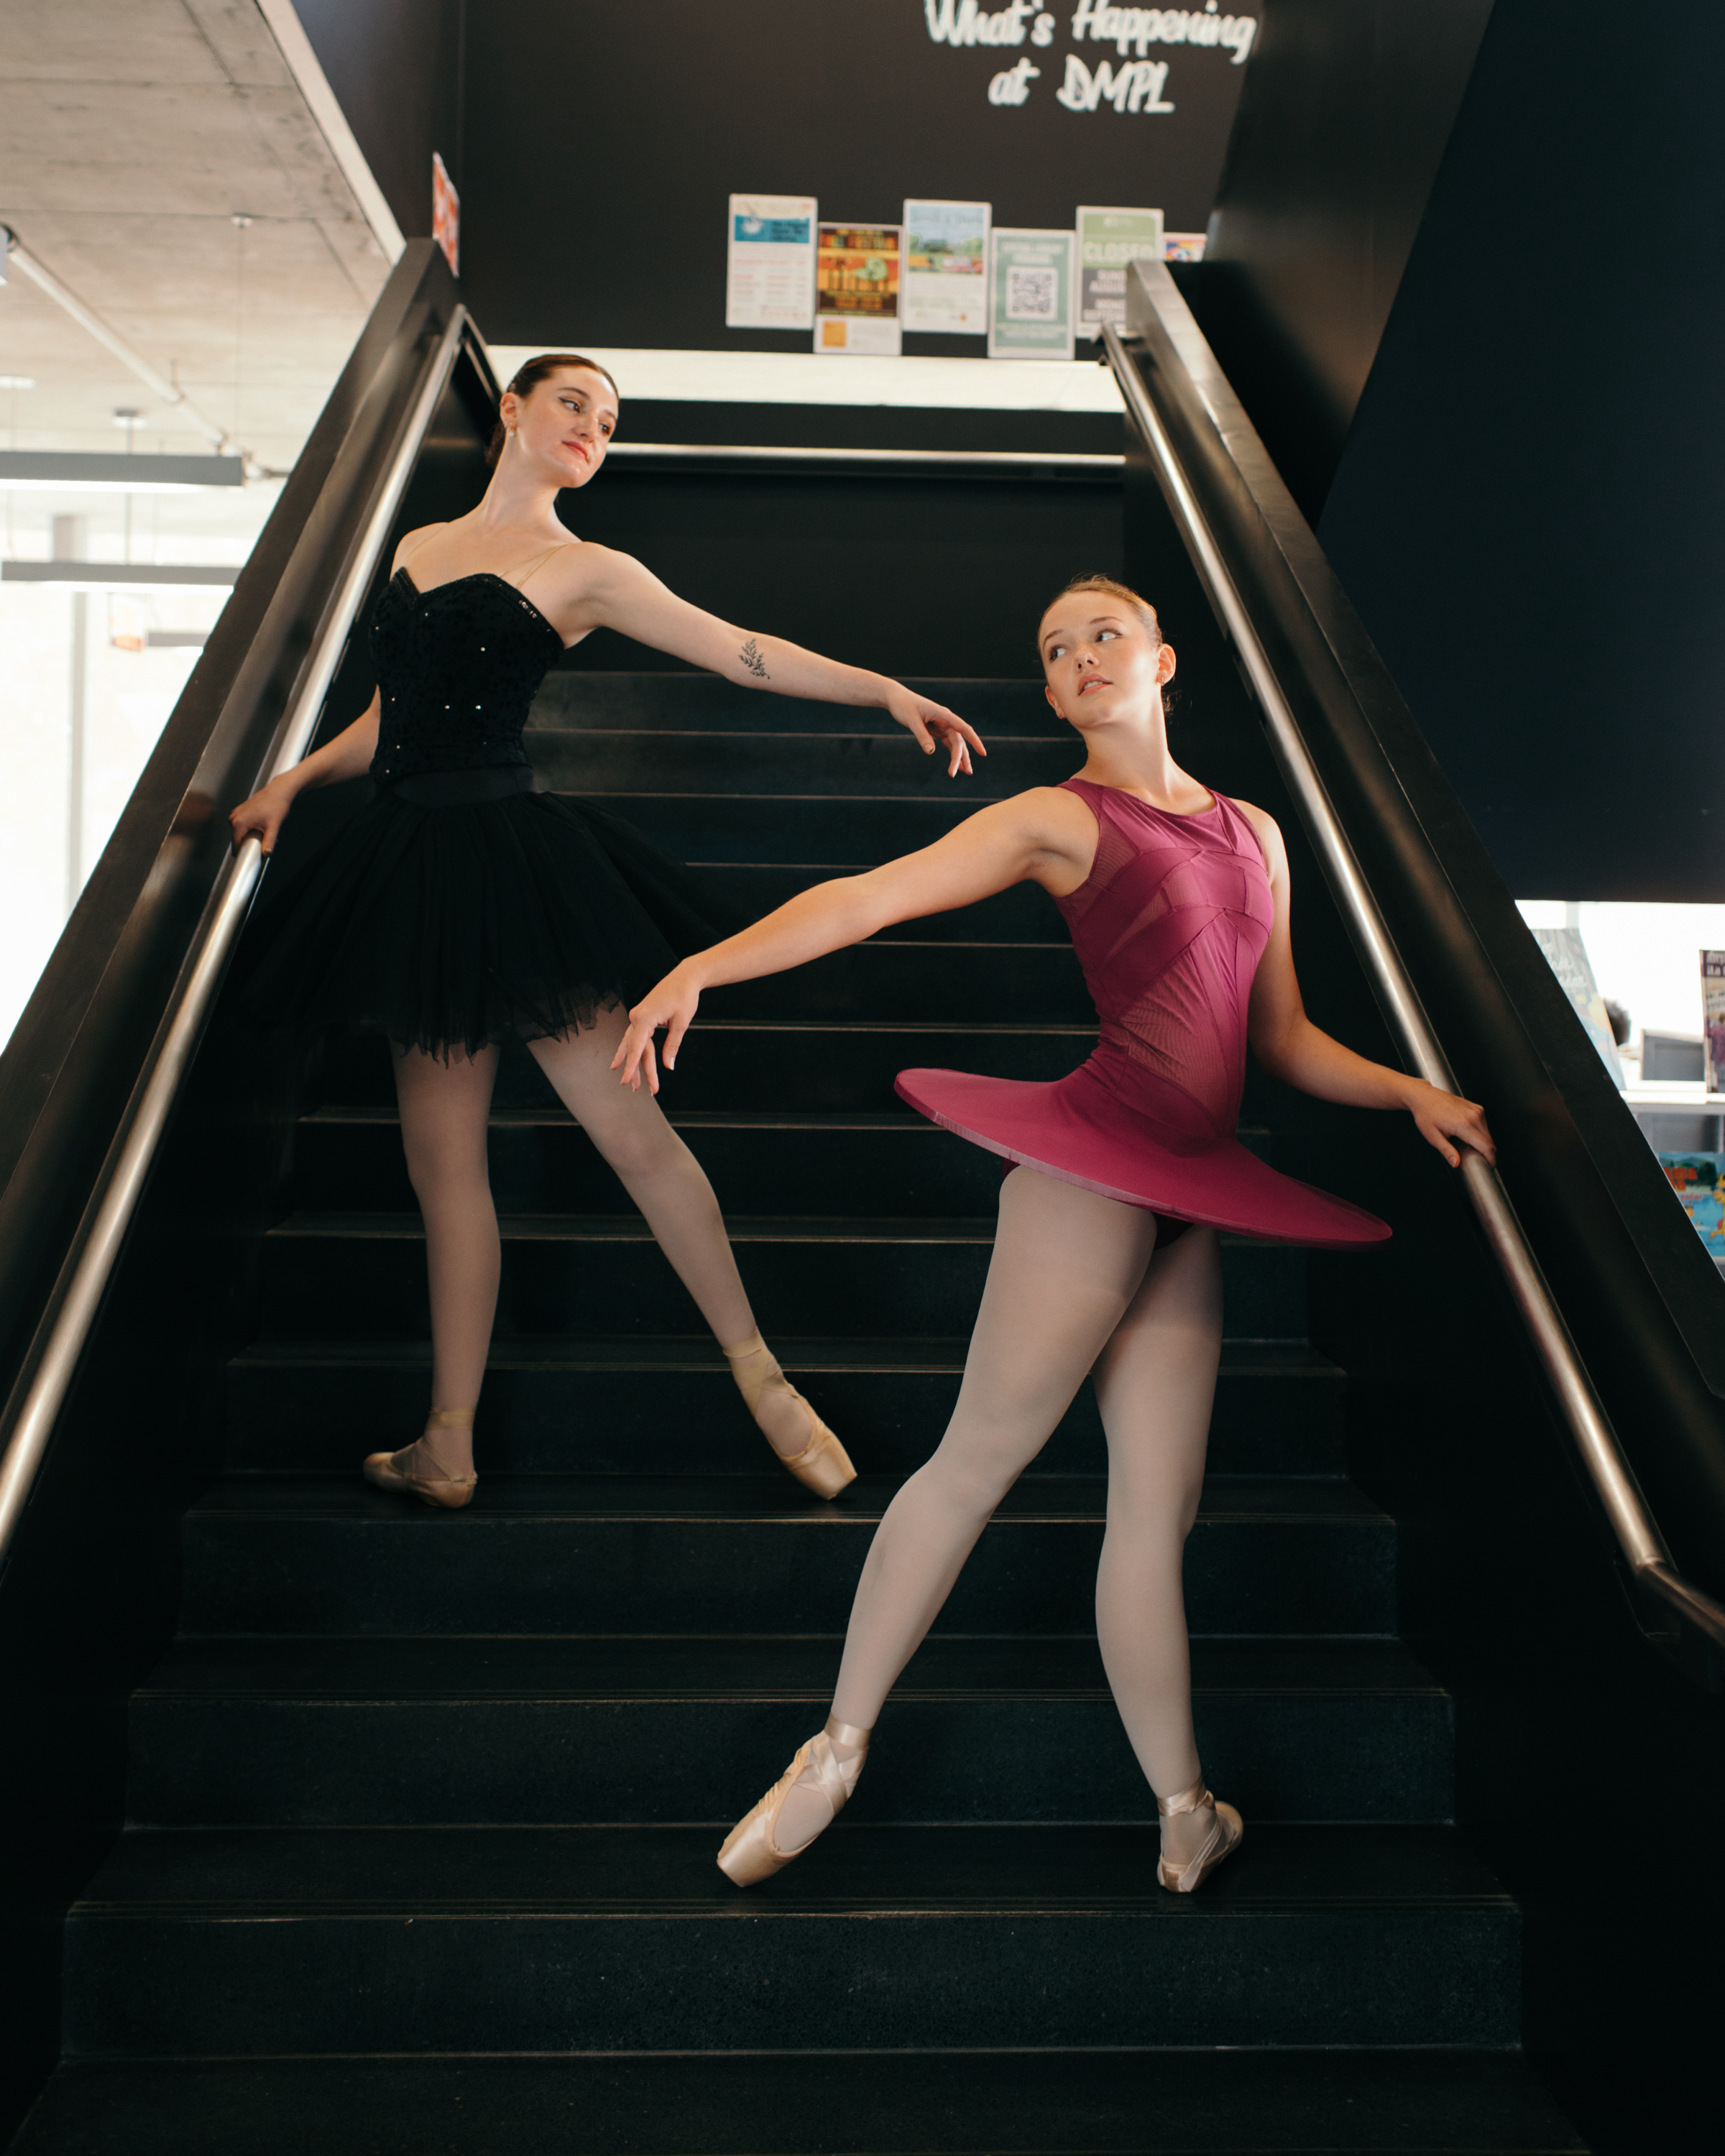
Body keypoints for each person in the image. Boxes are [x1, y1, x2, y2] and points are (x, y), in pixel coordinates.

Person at [615, 573, 1495, 1893]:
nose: (1081, 656)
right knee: (975, 1465)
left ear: (1163, 659)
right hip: (1093, 1174)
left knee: (1156, 1514)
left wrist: (1412, 1090)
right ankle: (835, 1749)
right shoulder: (1056, 819)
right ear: (1048, 691)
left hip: (1191, 1200)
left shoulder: (1256, 830)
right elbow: (871, 895)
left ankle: (1183, 1806)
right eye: (1055, 649)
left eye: (1105, 634)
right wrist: (702, 968)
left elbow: (1282, 1037)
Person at [227, 353, 985, 1512]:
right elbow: (393, 713)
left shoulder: (586, 569)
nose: (594, 427)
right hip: (413, 873)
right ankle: (449, 1442)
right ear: (515, 410)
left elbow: (740, 649)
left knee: (631, 1133)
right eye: (575, 404)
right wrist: (292, 779)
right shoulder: (419, 548)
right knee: (443, 1169)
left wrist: (881, 687)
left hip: (513, 864)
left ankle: (765, 1379)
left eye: (611, 420)